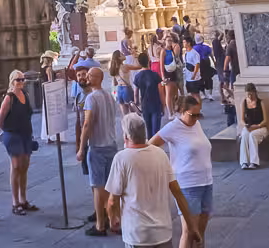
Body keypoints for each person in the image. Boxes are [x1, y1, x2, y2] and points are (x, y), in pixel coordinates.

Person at [105, 113, 198, 248]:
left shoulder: (121, 158)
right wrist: (191, 226)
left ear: (126, 136)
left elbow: (112, 201)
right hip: (162, 233)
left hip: (137, 235)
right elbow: (177, 193)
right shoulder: (160, 154)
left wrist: (112, 218)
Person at [150, 95, 213, 248]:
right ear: (182, 112)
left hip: (206, 181)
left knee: (201, 230)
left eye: (199, 114)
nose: (197, 118)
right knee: (190, 230)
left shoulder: (196, 124)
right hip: (188, 184)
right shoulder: (173, 127)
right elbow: (150, 146)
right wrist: (165, 166)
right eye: (193, 115)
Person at [76, 66, 122, 237]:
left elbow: (87, 124)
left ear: (98, 78)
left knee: (98, 187)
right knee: (112, 187)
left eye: (89, 75)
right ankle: (115, 219)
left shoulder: (91, 98)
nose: (86, 77)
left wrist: (81, 147)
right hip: (111, 144)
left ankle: (100, 224)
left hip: (98, 146)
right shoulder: (109, 96)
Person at [0, 68, 37, 214]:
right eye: (18, 79)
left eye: (22, 79)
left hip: (26, 134)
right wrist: (7, 130)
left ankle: (23, 198)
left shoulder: (25, 94)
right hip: (13, 135)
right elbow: (0, 119)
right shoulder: (9, 97)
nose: (21, 82)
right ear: (12, 81)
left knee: (24, 166)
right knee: (15, 166)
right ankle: (15, 201)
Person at [238, 84, 268, 169]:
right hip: (249, 126)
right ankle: (244, 162)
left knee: (252, 135)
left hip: (260, 127)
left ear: (255, 93)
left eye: (251, 94)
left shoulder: (261, 103)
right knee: (244, 135)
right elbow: (242, 119)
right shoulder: (244, 102)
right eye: (248, 95)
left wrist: (257, 126)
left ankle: (254, 162)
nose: (250, 96)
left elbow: (265, 120)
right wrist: (246, 125)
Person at [133, 56, 164, 138]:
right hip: (156, 104)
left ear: (139, 63)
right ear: (148, 61)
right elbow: (161, 91)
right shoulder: (155, 75)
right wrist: (163, 105)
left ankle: (150, 146)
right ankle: (156, 147)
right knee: (156, 130)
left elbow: (136, 94)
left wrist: (137, 105)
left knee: (148, 129)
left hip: (145, 104)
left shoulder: (137, 76)